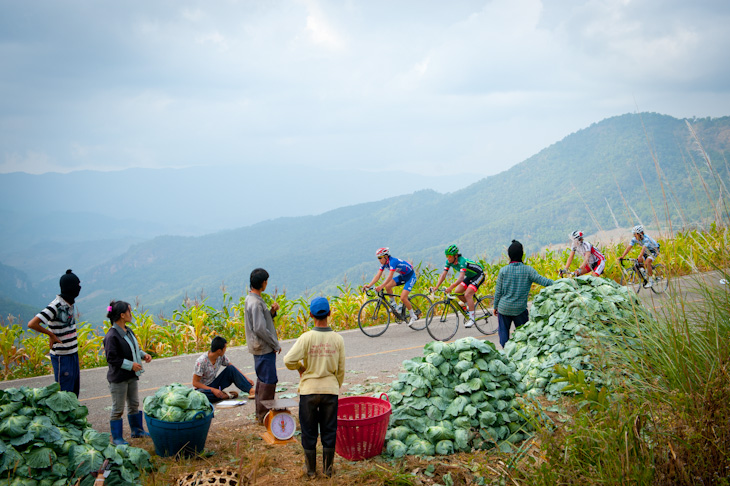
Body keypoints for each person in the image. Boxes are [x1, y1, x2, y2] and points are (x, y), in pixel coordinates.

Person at [284, 297, 345, 479]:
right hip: (330, 391)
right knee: (329, 430)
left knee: (309, 431)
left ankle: (310, 471)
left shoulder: (306, 338)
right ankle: (327, 470)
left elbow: (288, 360)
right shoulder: (337, 339)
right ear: (330, 313)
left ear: (310, 315)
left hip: (308, 391)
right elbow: (341, 370)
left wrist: (301, 368)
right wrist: (335, 386)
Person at [103, 300, 153, 445]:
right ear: (122, 315)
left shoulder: (127, 330)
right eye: (129, 312)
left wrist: (143, 355)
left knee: (134, 403)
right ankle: (117, 438)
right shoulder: (111, 336)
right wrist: (130, 365)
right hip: (119, 378)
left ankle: (137, 430)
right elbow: (112, 358)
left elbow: (133, 348)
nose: (131, 314)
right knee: (118, 408)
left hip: (131, 376)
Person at [27, 269, 82, 397]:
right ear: (70, 287)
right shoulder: (55, 306)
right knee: (64, 394)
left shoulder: (69, 303)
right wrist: (51, 334)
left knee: (74, 393)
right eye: (77, 285)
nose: (79, 288)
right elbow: (32, 323)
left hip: (73, 353)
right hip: (62, 356)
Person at [493, 240, 554, 348]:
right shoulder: (528, 270)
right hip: (519, 309)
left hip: (504, 308)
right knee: (525, 336)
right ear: (522, 255)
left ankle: (505, 351)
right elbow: (544, 281)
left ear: (509, 255)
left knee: (503, 335)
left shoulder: (503, 271)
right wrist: (560, 283)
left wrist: (495, 306)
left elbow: (498, 292)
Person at [244, 268, 281, 424]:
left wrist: (272, 312)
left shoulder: (250, 299)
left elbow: (260, 321)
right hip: (263, 347)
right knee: (268, 381)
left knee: (262, 380)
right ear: (263, 283)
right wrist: (275, 343)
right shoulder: (256, 303)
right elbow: (259, 328)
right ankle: (265, 416)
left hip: (258, 346)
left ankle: (261, 414)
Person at [363, 247, 420, 328]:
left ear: (386, 256)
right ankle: (394, 304)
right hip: (403, 276)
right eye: (378, 258)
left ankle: (413, 315)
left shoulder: (392, 262)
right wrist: (369, 285)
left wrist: (380, 286)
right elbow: (378, 275)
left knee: (403, 297)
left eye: (380, 258)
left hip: (411, 277)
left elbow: (390, 276)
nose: (379, 260)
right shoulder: (384, 264)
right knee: (387, 286)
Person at [431, 245, 485, 328]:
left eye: (449, 256)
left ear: (455, 256)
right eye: (446, 256)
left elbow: (461, 278)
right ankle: (469, 307)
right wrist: (436, 286)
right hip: (470, 276)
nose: (448, 258)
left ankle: (472, 319)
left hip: (478, 275)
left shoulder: (462, 261)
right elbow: (443, 275)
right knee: (457, 292)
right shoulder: (449, 262)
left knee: (467, 294)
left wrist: (451, 287)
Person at [192, 336, 255, 404]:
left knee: (230, 369)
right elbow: (195, 383)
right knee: (202, 397)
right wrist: (213, 390)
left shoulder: (220, 357)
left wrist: (246, 378)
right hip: (204, 388)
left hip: (215, 384)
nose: (225, 350)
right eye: (225, 348)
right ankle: (225, 395)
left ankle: (250, 391)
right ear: (219, 351)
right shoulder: (201, 361)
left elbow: (232, 368)